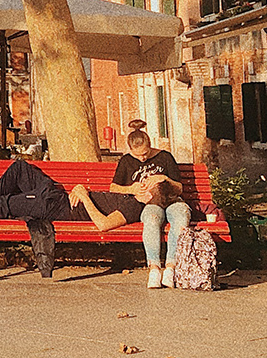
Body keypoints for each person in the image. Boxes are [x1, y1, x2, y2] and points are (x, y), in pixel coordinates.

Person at [69, 122, 189, 289]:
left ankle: (171, 268)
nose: (142, 158)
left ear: (150, 145)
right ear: (130, 150)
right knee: (152, 219)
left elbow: (180, 188)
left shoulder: (165, 157)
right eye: (137, 155)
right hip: (149, 203)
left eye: (145, 153)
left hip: (172, 200)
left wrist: (164, 178)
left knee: (181, 218)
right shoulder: (126, 161)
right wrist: (132, 189)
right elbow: (114, 188)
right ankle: (154, 268)